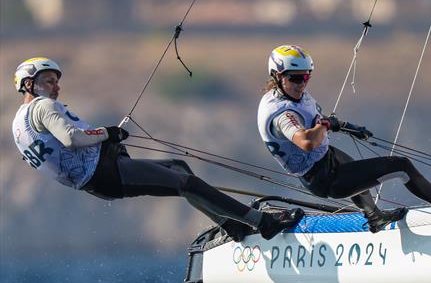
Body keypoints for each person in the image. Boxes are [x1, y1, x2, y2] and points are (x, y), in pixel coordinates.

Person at [11, 57, 303, 242]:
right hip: (105, 172)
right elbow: (71, 138)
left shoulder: (18, 126)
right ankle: (262, 223)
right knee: (186, 184)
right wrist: (108, 133)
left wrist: (106, 143)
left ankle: (232, 225)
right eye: (49, 81)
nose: (56, 88)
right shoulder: (43, 106)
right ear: (29, 84)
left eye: (56, 82)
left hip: (98, 178)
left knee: (178, 168)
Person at [257, 45, 431, 233]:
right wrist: (326, 125)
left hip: (326, 160)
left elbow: (317, 121)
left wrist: (346, 127)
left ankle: (375, 217)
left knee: (357, 171)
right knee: (401, 166)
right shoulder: (281, 115)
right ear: (277, 76)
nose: (302, 83)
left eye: (307, 76)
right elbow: (307, 141)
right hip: (324, 179)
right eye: (296, 78)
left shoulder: (290, 94)